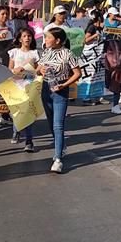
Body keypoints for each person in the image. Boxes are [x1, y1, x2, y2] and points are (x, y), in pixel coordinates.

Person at [37, 27, 81, 174]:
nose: (46, 40)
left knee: (58, 125)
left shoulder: (67, 54)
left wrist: (65, 84)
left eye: (49, 38)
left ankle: (57, 159)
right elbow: (37, 69)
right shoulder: (46, 52)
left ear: (58, 40)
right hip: (45, 90)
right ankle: (61, 146)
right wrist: (40, 70)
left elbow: (77, 73)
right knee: (50, 123)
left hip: (60, 91)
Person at [8, 29, 39, 151]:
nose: (27, 38)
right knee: (16, 112)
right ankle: (16, 130)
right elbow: (10, 68)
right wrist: (15, 71)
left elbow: (37, 70)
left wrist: (29, 71)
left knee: (28, 113)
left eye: (29, 36)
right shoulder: (14, 52)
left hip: (29, 85)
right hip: (15, 85)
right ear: (20, 39)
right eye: (24, 36)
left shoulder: (35, 53)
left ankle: (29, 140)